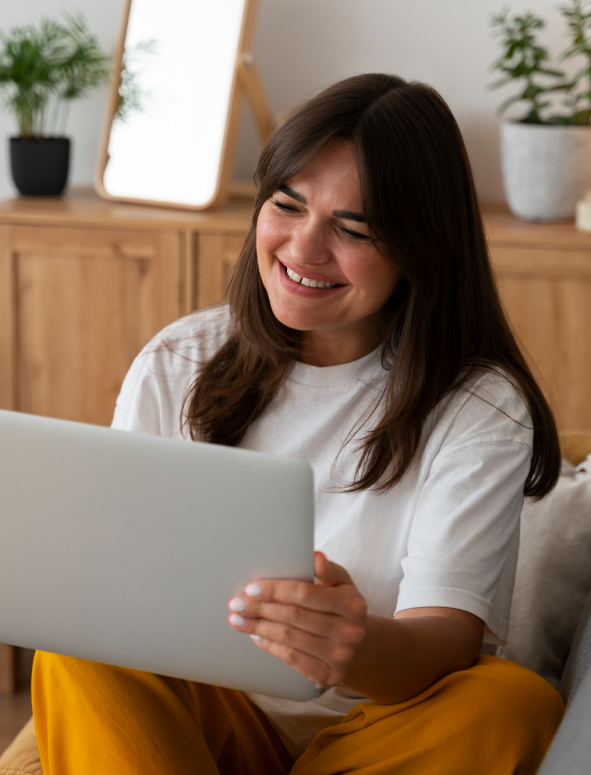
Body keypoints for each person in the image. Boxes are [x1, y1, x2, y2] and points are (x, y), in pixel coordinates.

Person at [32, 73, 565, 774]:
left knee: (510, 702)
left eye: (352, 229)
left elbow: (447, 640)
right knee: (73, 648)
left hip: (374, 731)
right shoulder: (179, 359)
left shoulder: (478, 406)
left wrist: (358, 644)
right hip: (200, 723)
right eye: (287, 205)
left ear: (420, 249)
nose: (303, 249)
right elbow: (110, 584)